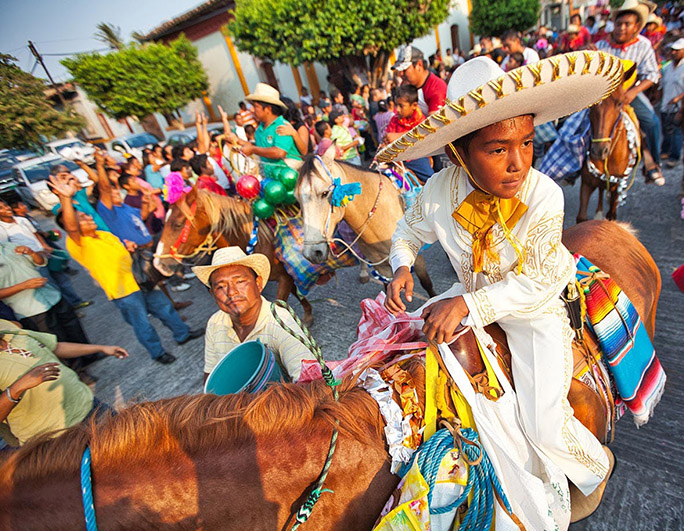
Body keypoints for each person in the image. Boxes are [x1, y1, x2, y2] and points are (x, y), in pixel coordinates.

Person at [380, 54, 621, 524]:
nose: (518, 163)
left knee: (544, 423)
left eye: (527, 143)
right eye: (497, 150)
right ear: (458, 153)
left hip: (534, 313)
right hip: (467, 302)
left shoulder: (545, 195)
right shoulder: (436, 191)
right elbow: (406, 230)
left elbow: (533, 282)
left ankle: (594, 470)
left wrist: (467, 303)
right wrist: (402, 266)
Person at [50, 172, 202, 365]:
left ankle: (183, 333)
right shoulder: (78, 242)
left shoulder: (103, 234)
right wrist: (65, 198)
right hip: (123, 291)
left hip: (140, 279)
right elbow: (71, 227)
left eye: (85, 215)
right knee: (143, 324)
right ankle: (158, 352)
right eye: (81, 218)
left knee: (165, 308)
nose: (87, 217)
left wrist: (129, 247)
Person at [193, 247, 315, 384]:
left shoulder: (281, 323)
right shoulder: (215, 323)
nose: (231, 292)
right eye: (221, 287)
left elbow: (309, 383)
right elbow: (211, 379)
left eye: (239, 282)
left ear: (258, 284)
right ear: (213, 295)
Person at [0, 320, 127, 446]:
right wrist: (17, 387)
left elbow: (55, 347)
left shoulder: (8, 329)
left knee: (133, 449)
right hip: (55, 437)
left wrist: (101, 348)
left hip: (89, 405)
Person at [595, 0, 664, 185]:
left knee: (652, 121)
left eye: (627, 24)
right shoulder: (602, 44)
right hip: (603, 97)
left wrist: (633, 92)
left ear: (636, 27)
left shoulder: (643, 45)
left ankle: (653, 165)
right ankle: (574, 167)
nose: (622, 28)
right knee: (574, 125)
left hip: (628, 93)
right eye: (619, 24)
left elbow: (652, 74)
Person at [223, 84, 303, 180]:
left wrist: (252, 149)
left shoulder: (282, 126)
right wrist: (237, 140)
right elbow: (260, 148)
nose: (252, 110)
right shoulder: (260, 129)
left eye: (256, 106)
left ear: (268, 109)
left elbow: (279, 152)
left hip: (291, 179)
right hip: (273, 179)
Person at [384, 85, 434, 182]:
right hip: (396, 159)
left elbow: (421, 135)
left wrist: (398, 136)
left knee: (431, 179)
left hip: (416, 157)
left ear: (414, 105)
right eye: (396, 105)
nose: (397, 109)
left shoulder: (421, 121)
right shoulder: (394, 120)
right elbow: (388, 138)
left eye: (401, 106)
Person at [392, 45, 447, 115]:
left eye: (404, 69)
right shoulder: (405, 84)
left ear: (419, 65)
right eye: (400, 70)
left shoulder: (437, 88)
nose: (401, 74)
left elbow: (435, 123)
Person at [660, 38, 684, 167]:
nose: (673, 53)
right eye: (673, 50)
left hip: (679, 105)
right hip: (666, 102)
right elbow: (663, 84)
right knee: (666, 127)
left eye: (677, 51)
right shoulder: (668, 67)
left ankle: (674, 156)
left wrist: (679, 98)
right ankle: (665, 150)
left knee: (676, 130)